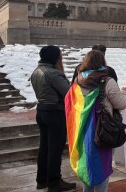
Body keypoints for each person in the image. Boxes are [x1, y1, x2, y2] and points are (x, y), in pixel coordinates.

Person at [66, 50, 126, 192]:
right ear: (102, 63)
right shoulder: (107, 81)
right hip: (102, 130)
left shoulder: (78, 80)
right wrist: (124, 92)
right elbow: (121, 103)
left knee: (87, 165)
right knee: (102, 168)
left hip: (82, 129)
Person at [30, 46, 76, 192]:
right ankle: (54, 182)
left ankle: (42, 180)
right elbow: (69, 93)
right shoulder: (53, 74)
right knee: (55, 149)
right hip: (55, 112)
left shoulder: (36, 71)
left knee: (44, 147)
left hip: (42, 110)